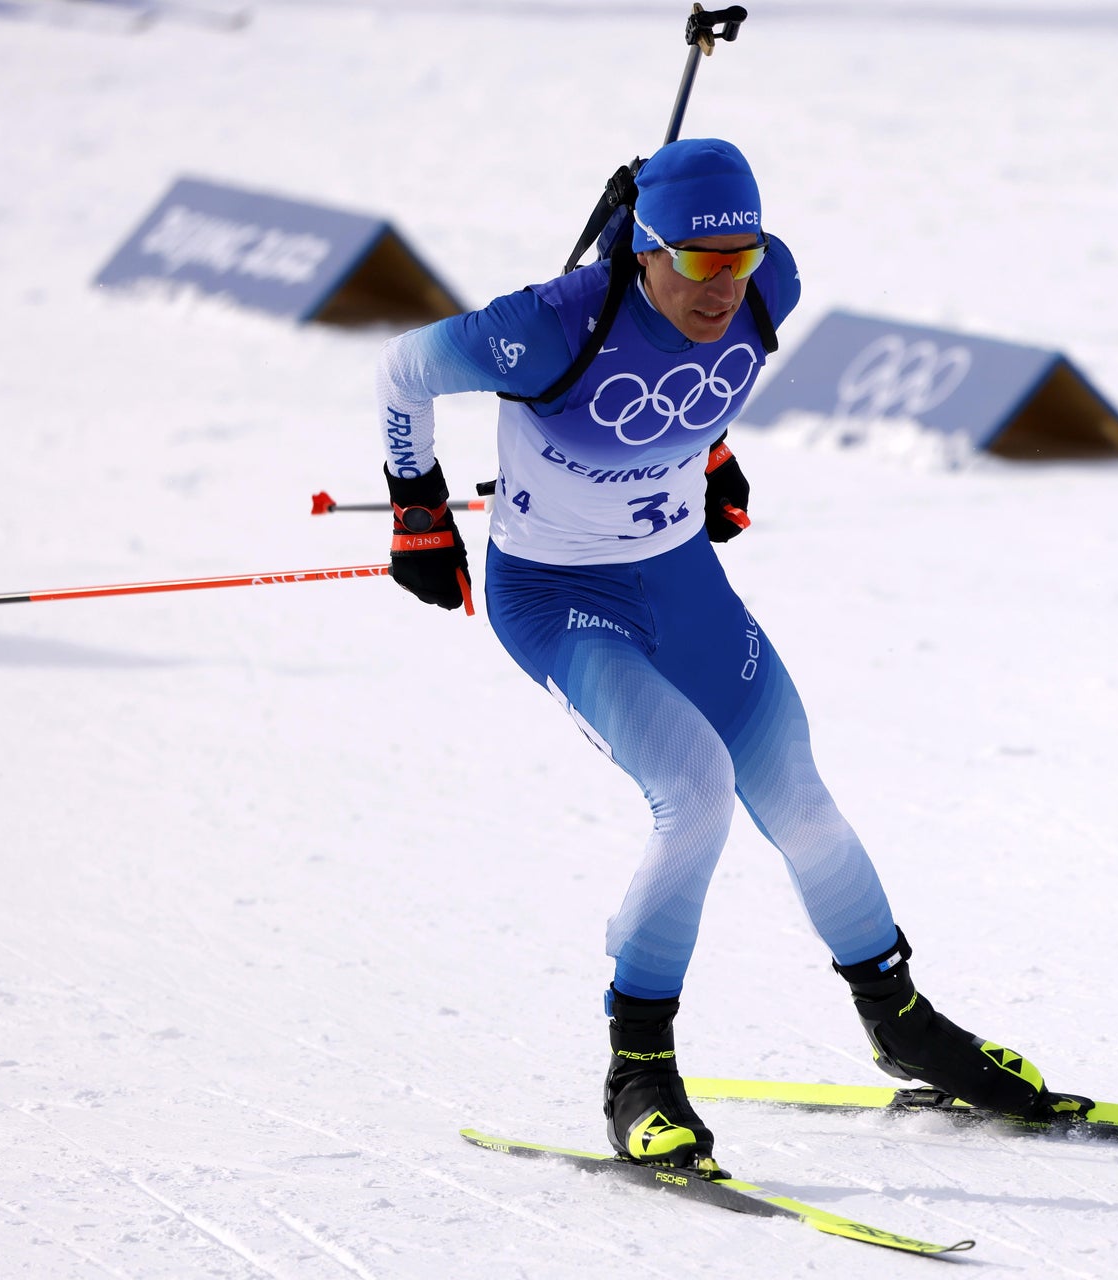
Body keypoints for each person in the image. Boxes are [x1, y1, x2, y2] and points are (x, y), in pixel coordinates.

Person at [377, 138, 1074, 1175]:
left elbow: (693, 374)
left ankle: (901, 1022)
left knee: (799, 797)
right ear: (644, 250)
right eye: (699, 262)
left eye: (738, 257)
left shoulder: (766, 287)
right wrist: (417, 507)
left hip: (682, 582)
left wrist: (710, 452)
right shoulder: (548, 326)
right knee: (695, 789)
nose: (723, 285)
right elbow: (404, 368)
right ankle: (638, 1068)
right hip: (563, 600)